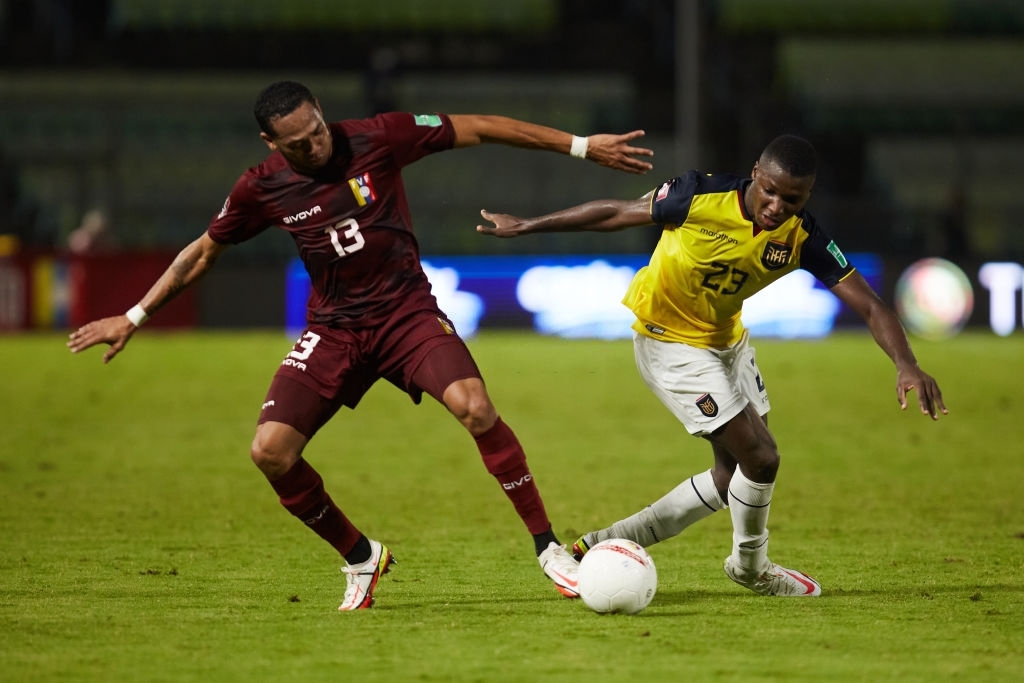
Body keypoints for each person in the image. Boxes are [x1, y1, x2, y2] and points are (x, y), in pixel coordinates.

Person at [67, 80, 655, 610]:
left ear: (323, 114)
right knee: (269, 452)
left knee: (475, 407)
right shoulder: (261, 187)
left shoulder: (380, 137)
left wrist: (581, 146)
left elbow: (478, 126)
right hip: (335, 330)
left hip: (407, 314)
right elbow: (204, 251)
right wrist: (136, 314)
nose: (314, 147)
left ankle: (548, 548)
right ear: (271, 143)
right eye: (297, 143)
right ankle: (360, 556)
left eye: (317, 131)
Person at [476, 134, 947, 597]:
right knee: (762, 457)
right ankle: (750, 567)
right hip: (669, 344)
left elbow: (869, 304)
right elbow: (619, 212)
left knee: (732, 477)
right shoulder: (698, 195)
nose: (778, 206)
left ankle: (596, 545)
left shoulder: (803, 236)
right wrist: (528, 225)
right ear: (756, 175)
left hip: (727, 343)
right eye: (771, 191)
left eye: (793, 198)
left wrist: (907, 363)